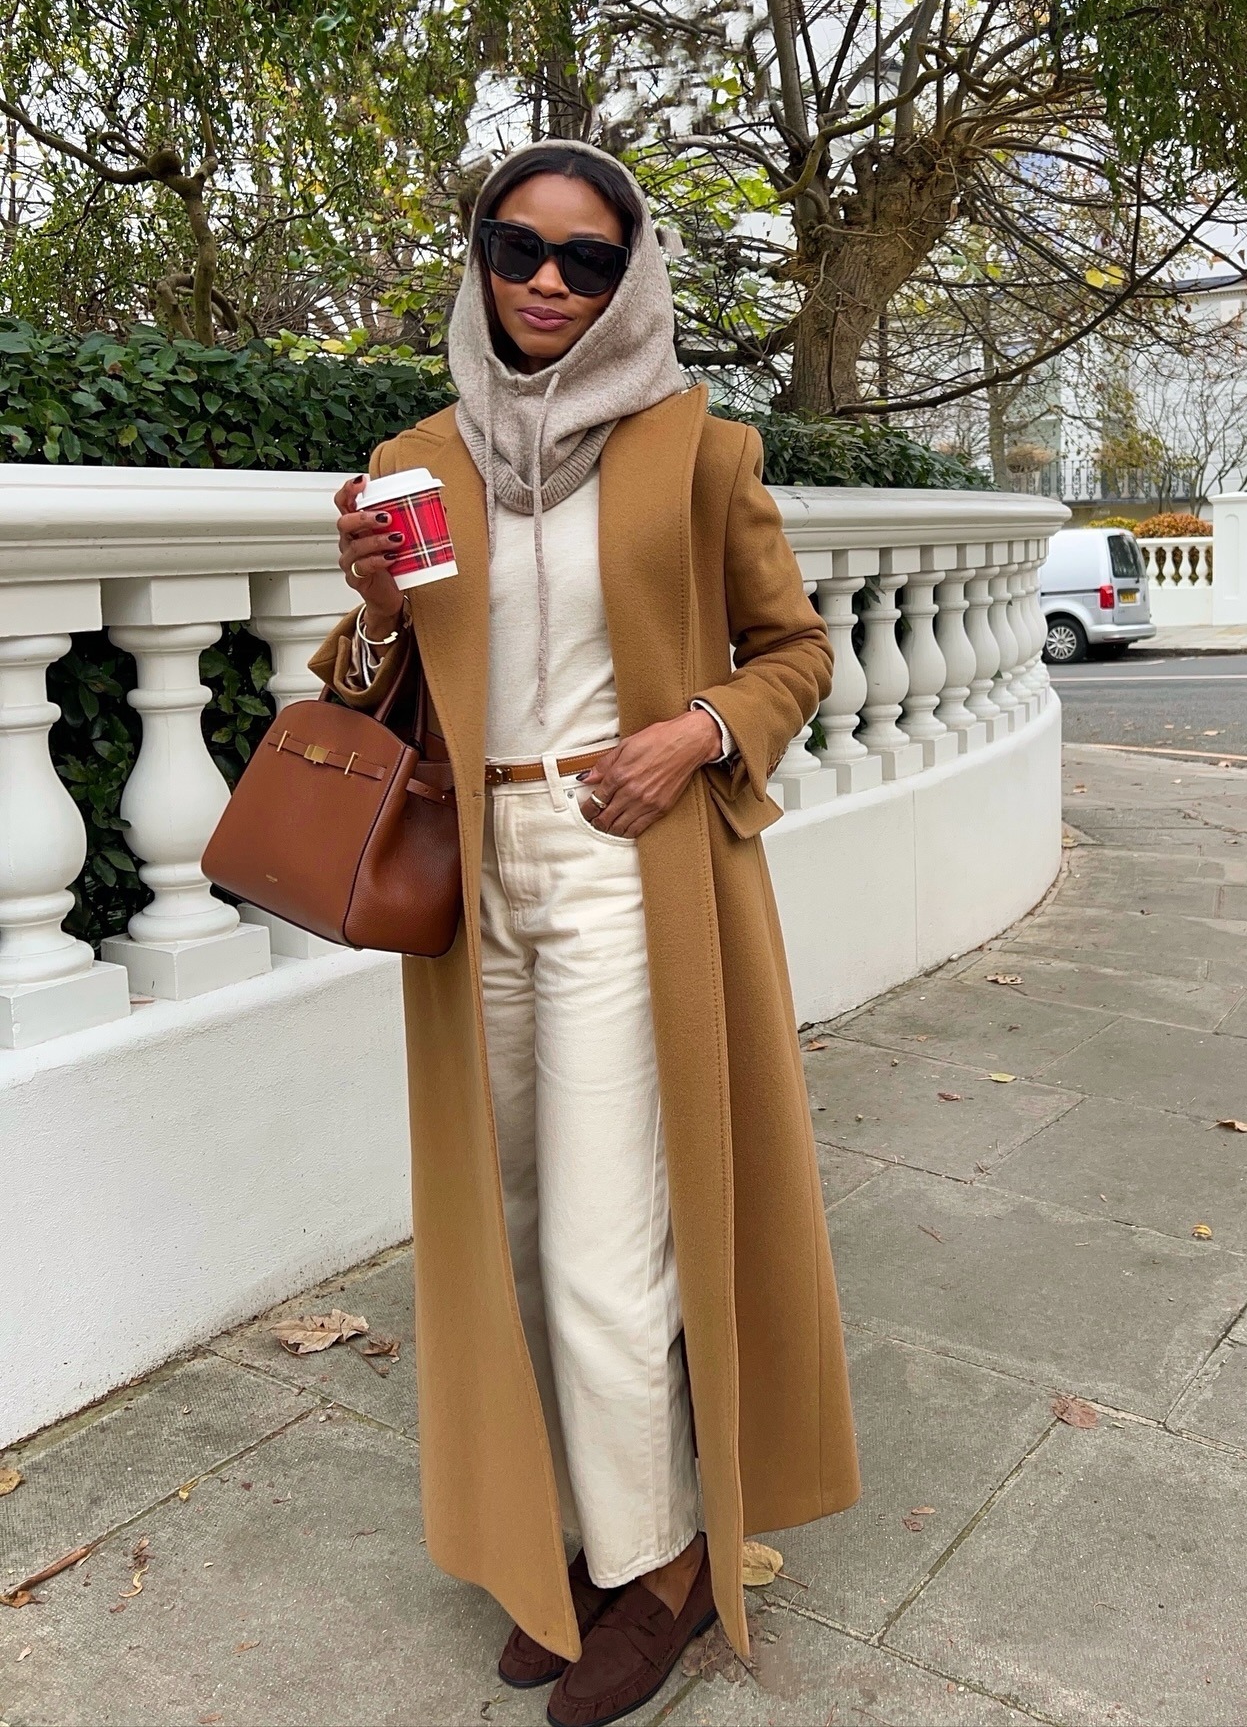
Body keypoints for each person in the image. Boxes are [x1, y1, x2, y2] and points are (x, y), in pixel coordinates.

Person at [311, 141, 859, 1727]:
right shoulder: (421, 458)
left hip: (628, 860)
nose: (550, 281)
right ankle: (553, 1542)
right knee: (511, 1225)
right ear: (478, 256)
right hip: (473, 876)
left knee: (613, 1247)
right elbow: (370, 696)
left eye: (590, 260)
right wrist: (373, 612)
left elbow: (796, 652)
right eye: (521, 248)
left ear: (631, 283)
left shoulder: (698, 446)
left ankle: (664, 1562)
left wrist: (693, 731)